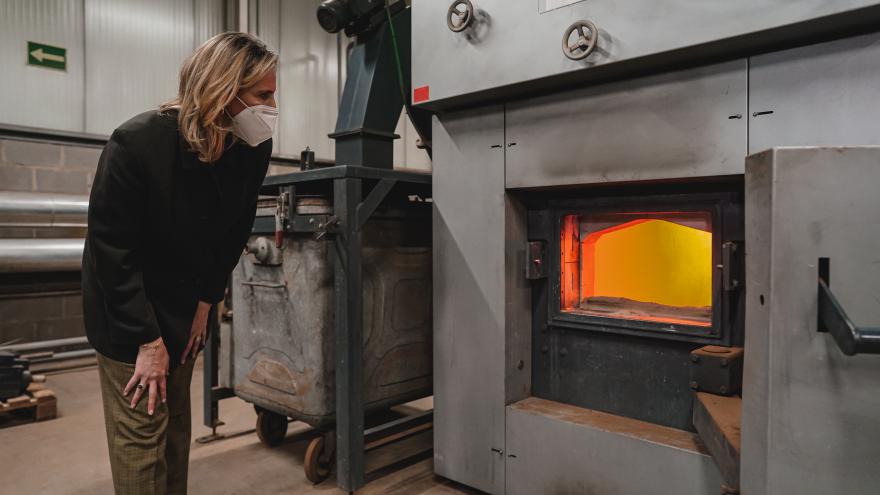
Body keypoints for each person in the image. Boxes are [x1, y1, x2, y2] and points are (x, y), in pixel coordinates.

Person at [82, 32, 278, 494]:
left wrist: (207, 302)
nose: (272, 108)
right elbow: (113, 253)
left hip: (185, 305)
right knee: (142, 429)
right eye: (263, 96)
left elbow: (233, 232)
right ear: (223, 90)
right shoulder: (137, 144)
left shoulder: (251, 147)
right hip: (127, 310)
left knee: (174, 427)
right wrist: (147, 342)